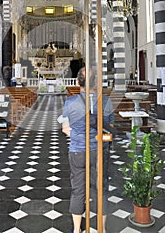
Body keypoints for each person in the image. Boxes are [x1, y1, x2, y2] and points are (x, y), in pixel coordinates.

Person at [61, 67, 115, 233]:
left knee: (78, 190)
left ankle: (77, 230)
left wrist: (78, 135)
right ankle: (102, 229)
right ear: (96, 82)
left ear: (78, 82)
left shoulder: (70, 102)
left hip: (77, 151)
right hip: (99, 151)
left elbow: (65, 128)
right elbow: (111, 128)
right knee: (101, 189)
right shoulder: (105, 101)